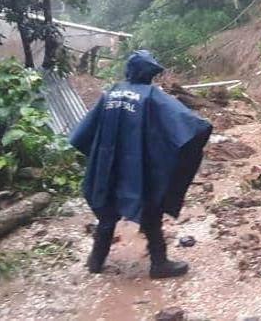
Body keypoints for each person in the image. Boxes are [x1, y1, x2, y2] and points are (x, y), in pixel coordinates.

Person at [70, 50, 212, 278]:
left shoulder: (111, 93)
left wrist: (97, 159)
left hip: (108, 164)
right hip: (137, 165)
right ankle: (159, 262)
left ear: (129, 70)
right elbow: (190, 125)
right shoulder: (151, 96)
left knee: (107, 211)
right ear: (149, 74)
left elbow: (83, 133)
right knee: (149, 208)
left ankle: (95, 261)